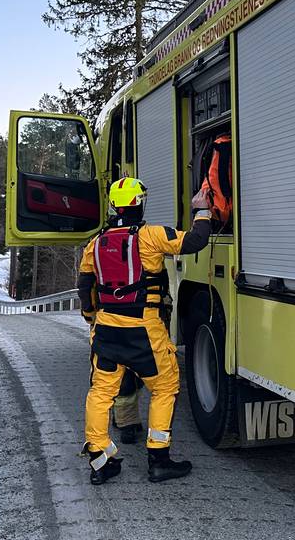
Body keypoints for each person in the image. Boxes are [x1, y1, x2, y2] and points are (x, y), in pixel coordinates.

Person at [77, 177, 214, 484]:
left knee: (100, 393)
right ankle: (159, 459)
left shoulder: (95, 243)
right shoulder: (151, 235)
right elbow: (194, 242)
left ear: (114, 205)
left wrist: (90, 316)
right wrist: (202, 210)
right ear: (140, 204)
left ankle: (100, 462)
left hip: (106, 330)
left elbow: (85, 286)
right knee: (165, 388)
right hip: (144, 330)